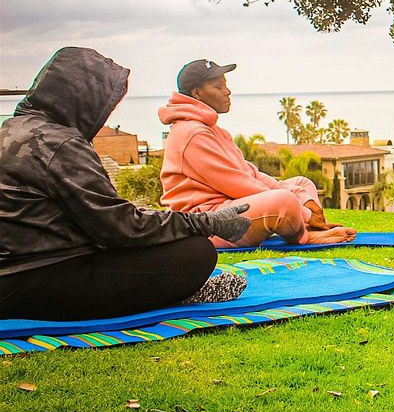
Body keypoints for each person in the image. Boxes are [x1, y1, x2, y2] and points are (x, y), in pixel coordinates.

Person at [0, 48, 253, 321]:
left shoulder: (11, 130)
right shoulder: (60, 144)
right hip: (39, 280)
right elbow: (121, 227)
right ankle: (176, 293)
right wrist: (208, 223)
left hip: (19, 274)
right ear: (82, 97)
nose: (106, 113)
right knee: (196, 252)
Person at [158, 59, 356, 248]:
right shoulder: (193, 133)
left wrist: (304, 200)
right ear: (197, 93)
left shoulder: (212, 130)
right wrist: (303, 211)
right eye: (218, 87)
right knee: (283, 201)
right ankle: (305, 236)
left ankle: (311, 228)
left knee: (302, 185)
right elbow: (239, 185)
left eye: (225, 85)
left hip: (229, 208)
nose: (227, 92)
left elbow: (251, 174)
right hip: (207, 224)